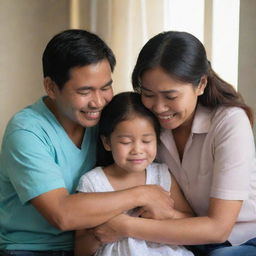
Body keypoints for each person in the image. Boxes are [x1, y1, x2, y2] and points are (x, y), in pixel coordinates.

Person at [0, 30, 175, 256]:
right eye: (84, 91)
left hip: (99, 244)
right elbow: (62, 215)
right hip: (33, 249)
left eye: (105, 88)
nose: (97, 102)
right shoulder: (26, 132)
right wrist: (142, 194)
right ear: (51, 87)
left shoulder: (106, 120)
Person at [89, 31, 256, 256]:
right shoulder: (149, 126)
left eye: (170, 96)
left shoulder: (230, 122)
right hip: (184, 235)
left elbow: (218, 229)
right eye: (148, 94)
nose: (158, 107)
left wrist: (125, 227)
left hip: (242, 239)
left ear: (201, 85)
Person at [75, 91, 194, 256]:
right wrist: (98, 235)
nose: (137, 150)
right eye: (126, 142)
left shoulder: (161, 175)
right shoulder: (93, 182)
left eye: (146, 141)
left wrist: (169, 214)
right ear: (107, 142)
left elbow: (191, 223)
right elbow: (80, 249)